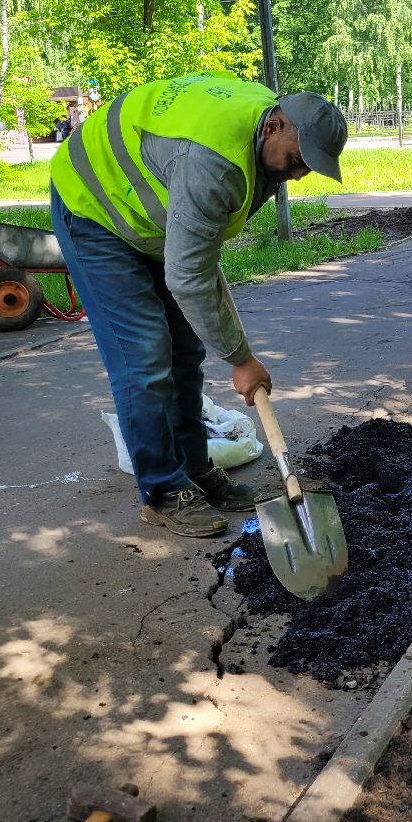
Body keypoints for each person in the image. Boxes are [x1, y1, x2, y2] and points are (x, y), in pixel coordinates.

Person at [49, 73, 348, 537]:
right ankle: (163, 491)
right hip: (95, 208)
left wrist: (236, 350)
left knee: (187, 351)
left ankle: (192, 466)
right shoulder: (213, 161)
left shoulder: (261, 141)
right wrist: (242, 359)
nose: (298, 174)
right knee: (145, 356)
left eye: (308, 166)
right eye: (296, 160)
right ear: (274, 127)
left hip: (150, 220)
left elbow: (199, 259)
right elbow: (188, 276)